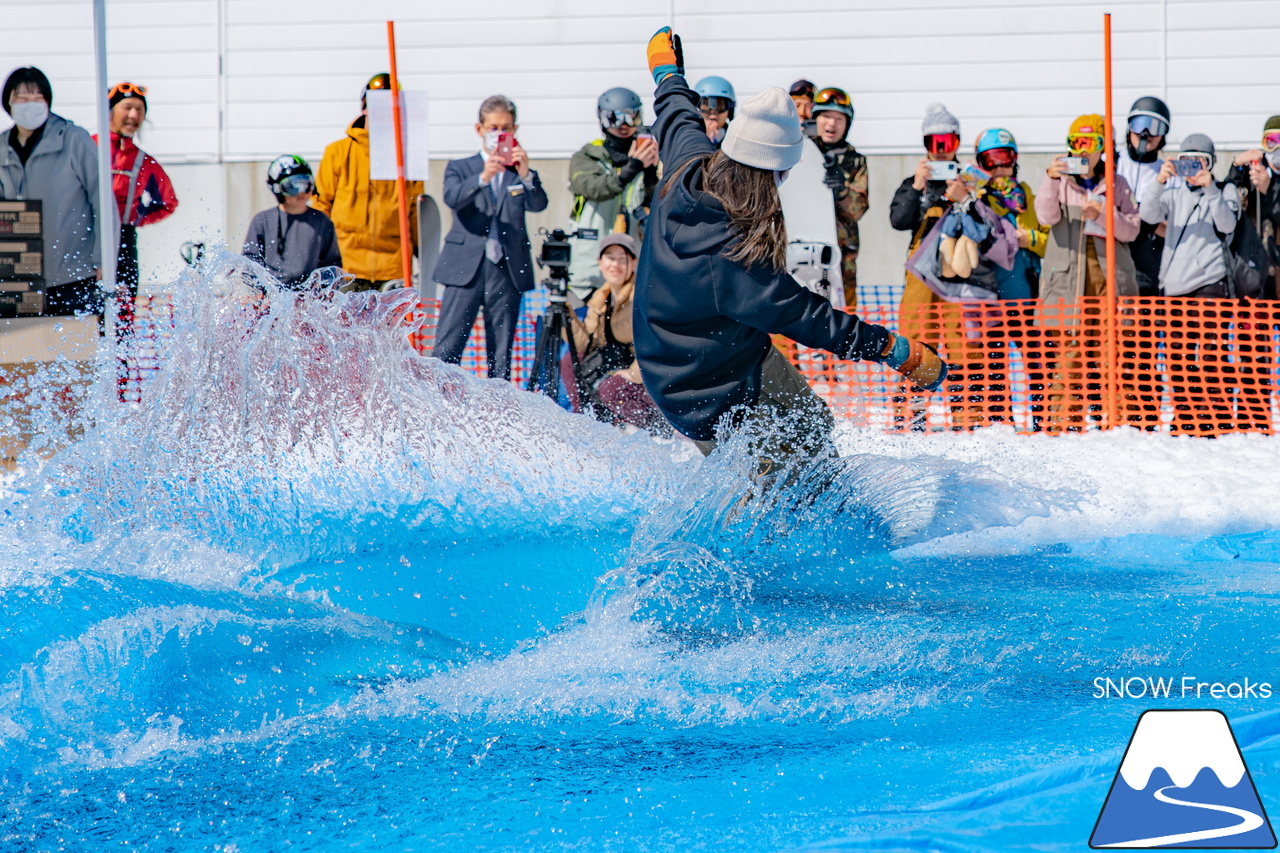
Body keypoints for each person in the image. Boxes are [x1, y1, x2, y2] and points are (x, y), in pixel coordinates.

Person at [636, 28, 946, 460]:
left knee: (813, 423)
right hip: (696, 387)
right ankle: (757, 516)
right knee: (776, 480)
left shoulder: (689, 159)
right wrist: (896, 351)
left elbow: (675, 109)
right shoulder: (732, 256)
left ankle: (829, 504)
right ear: (773, 173)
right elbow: (808, 318)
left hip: (734, 350)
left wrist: (667, 72)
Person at [1036, 114, 1144, 430]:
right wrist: (1050, 178)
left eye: (1090, 143)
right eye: (1076, 143)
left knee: (1114, 353)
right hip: (1069, 279)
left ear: (1103, 147)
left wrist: (1104, 213)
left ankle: (1121, 424)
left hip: (1108, 277)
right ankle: (1063, 425)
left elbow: (1132, 231)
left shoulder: (1117, 183)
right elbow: (1045, 215)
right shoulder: (1059, 181)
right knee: (1070, 354)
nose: (1083, 151)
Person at [431, 95, 548, 381]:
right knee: (448, 347)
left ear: (515, 129)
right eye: (493, 127)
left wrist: (526, 174)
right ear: (479, 129)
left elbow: (538, 204)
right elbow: (451, 197)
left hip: (506, 269)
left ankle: (499, 411)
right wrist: (482, 178)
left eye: (505, 127)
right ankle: (439, 402)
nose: (499, 133)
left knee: (502, 354)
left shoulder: (519, 170)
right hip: (464, 268)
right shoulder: (461, 167)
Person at [1140, 133, 1249, 433]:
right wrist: (1159, 181)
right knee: (1178, 356)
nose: (1193, 169)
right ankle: (1185, 415)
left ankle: (1216, 416)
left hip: (1210, 284)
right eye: (1187, 162)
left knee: (1211, 354)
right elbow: (1147, 215)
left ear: (1211, 164)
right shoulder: (1173, 193)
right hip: (1174, 287)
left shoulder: (1223, 191)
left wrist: (1211, 188)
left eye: (1200, 162)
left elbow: (1227, 224)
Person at [889, 102, 967, 429]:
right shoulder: (914, 182)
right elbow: (898, 220)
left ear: (957, 144)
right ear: (925, 146)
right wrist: (918, 187)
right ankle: (911, 416)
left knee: (962, 343)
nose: (941, 151)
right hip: (921, 278)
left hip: (957, 276)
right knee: (917, 340)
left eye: (947, 143)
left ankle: (967, 418)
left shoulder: (967, 181)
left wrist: (964, 196)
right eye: (934, 144)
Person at [0, 67, 102, 317]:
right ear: (8, 104)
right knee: (21, 351)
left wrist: (103, 261)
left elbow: (103, 202)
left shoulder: (74, 140)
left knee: (77, 351)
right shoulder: (2, 147)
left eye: (38, 98)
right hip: (18, 277)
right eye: (22, 98)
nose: (30, 105)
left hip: (73, 275)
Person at [313, 73, 424, 292]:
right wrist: (318, 255)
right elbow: (321, 206)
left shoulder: (407, 157)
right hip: (345, 267)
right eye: (377, 106)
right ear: (364, 108)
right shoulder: (337, 153)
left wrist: (424, 257)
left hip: (393, 269)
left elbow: (415, 214)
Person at [971, 128, 1049, 427]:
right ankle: (999, 421)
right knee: (994, 362)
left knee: (1038, 361)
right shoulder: (978, 197)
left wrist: (1026, 237)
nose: (1000, 167)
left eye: (1005, 158)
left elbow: (1046, 240)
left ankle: (1044, 419)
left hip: (1024, 293)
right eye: (991, 161)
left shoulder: (1026, 194)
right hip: (990, 296)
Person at [559, 233, 668, 434]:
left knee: (612, 388)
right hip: (620, 363)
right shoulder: (601, 298)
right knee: (569, 361)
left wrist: (634, 374)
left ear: (634, 263)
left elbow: (654, 340)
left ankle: (659, 429)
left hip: (650, 371)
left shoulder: (642, 295)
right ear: (600, 262)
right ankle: (586, 423)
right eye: (610, 257)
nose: (615, 264)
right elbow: (584, 345)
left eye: (622, 258)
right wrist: (565, 312)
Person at [564, 86, 659, 298]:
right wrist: (631, 168)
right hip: (590, 267)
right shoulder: (587, 157)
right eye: (614, 118)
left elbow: (657, 203)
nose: (623, 125)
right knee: (585, 327)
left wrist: (651, 171)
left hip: (631, 266)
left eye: (630, 117)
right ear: (601, 120)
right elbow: (594, 189)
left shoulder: (648, 158)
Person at [96, 82, 178, 302]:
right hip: (89, 235)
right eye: (128, 107)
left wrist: (136, 217)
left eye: (140, 110)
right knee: (89, 307)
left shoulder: (144, 162)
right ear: (110, 111)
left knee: (123, 308)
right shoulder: (89, 147)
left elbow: (168, 202)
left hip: (124, 239)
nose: (134, 115)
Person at [242, 155, 342, 289]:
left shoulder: (322, 221)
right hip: (272, 295)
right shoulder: (263, 220)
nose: (301, 193)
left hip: (308, 296)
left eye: (306, 185)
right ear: (278, 188)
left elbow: (332, 263)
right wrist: (259, 291)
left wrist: (323, 291)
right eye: (292, 187)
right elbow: (250, 261)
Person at [810, 87, 868, 309]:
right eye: (826, 117)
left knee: (843, 315)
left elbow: (858, 211)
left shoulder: (855, 161)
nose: (831, 124)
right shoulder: (799, 154)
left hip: (842, 259)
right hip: (800, 251)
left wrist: (841, 189)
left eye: (838, 119)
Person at [1120, 96, 1172, 296]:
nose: (1145, 133)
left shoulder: (1167, 173)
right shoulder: (1112, 164)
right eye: (1139, 124)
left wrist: (1148, 222)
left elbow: (1172, 228)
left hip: (1150, 259)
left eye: (1154, 127)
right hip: (1117, 255)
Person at [693, 76, 735, 147]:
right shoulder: (688, 138)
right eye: (705, 105)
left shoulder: (736, 140)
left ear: (730, 110)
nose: (712, 111)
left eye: (719, 105)